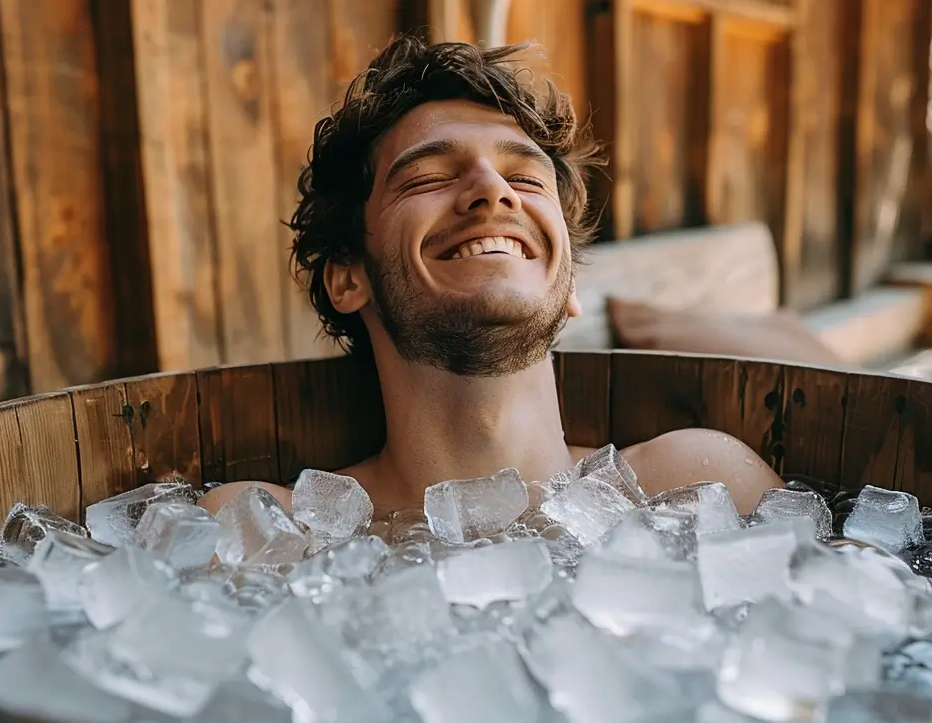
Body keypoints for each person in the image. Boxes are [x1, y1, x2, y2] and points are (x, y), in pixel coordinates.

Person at [199, 37, 783, 520]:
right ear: (348, 279)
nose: (493, 190)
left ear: (570, 281)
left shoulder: (701, 489)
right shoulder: (265, 533)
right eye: (427, 176)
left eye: (526, 179)